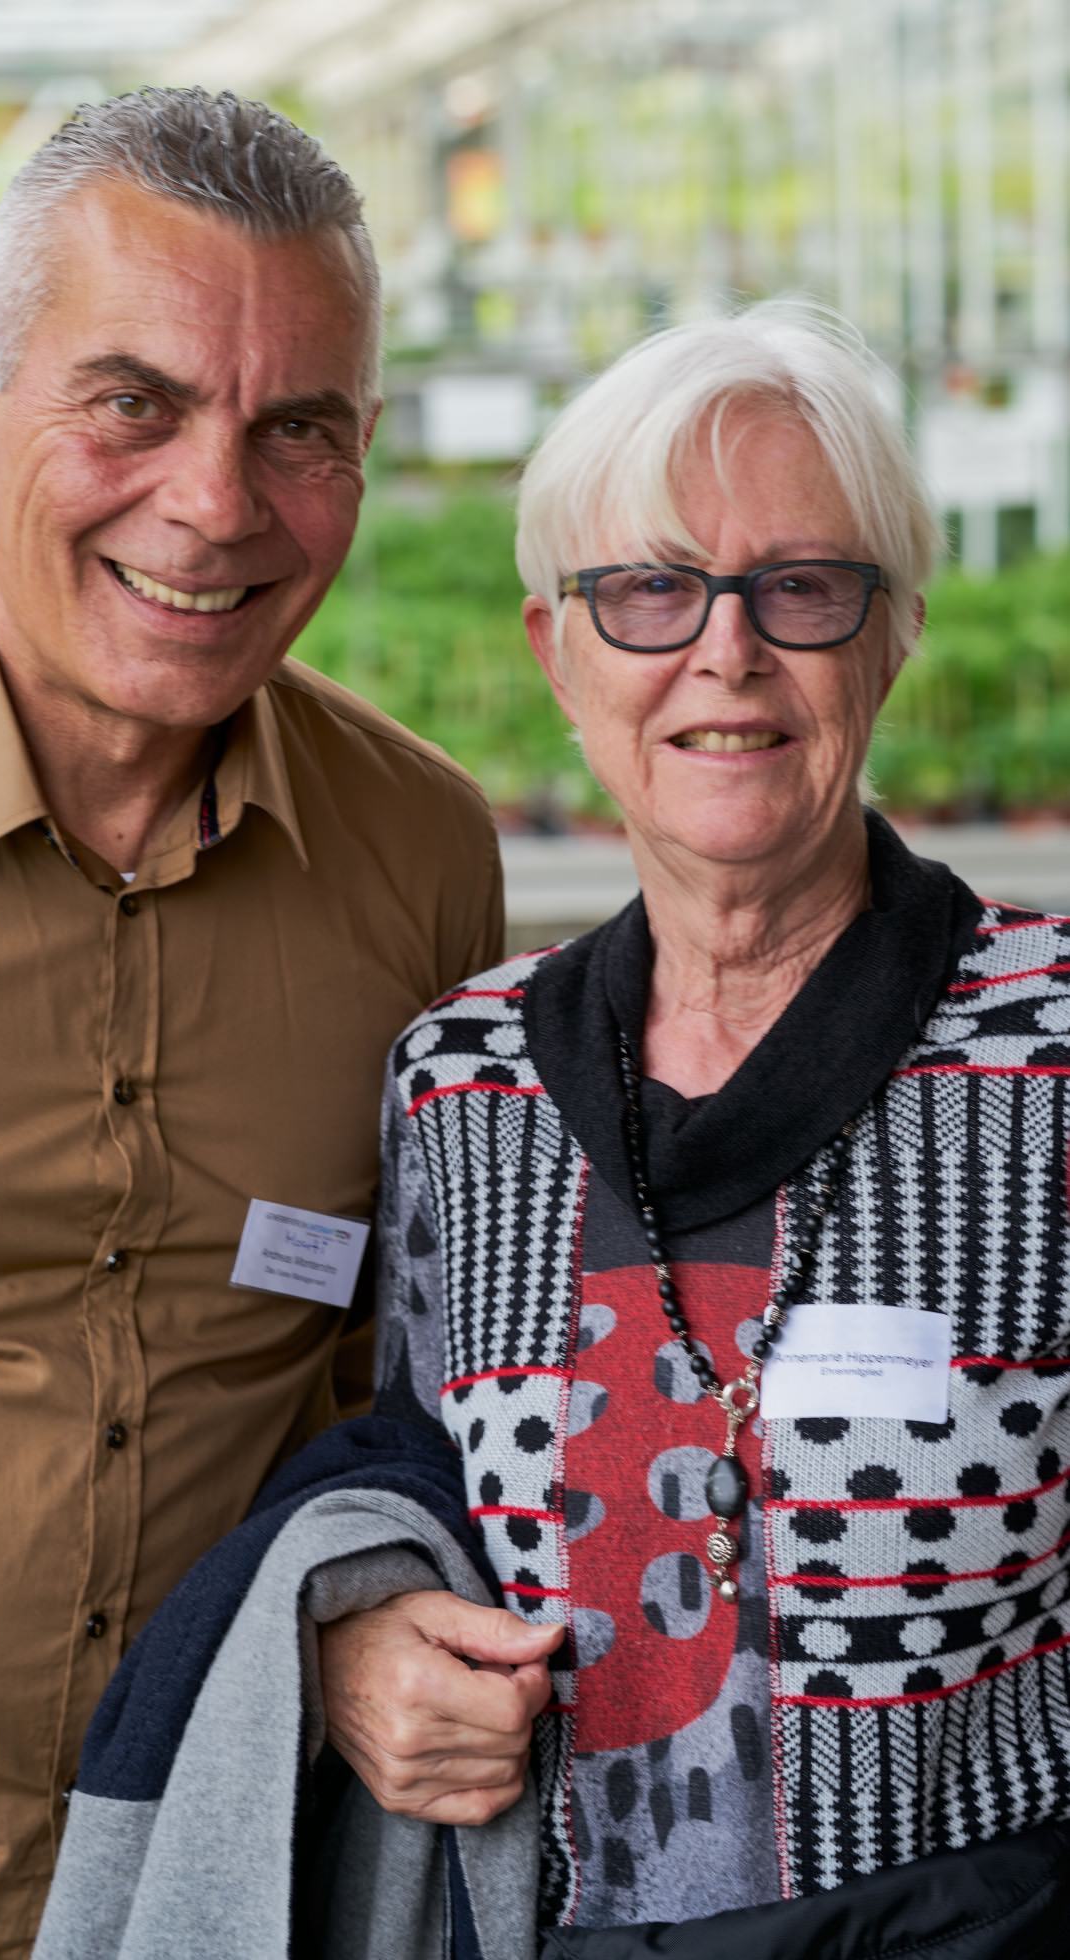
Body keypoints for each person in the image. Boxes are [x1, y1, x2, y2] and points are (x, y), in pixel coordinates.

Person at [0, 88, 505, 1957]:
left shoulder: (415, 852)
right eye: (133, 402)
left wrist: (356, 1615)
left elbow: (400, 1385)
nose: (215, 502)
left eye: (297, 430)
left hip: (217, 1888)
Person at [336, 302, 1070, 1948]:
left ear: (888, 636)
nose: (722, 653)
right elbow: (400, 1490)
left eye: (798, 588)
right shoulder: (461, 1089)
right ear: (557, 650)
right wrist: (359, 1637)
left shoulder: (1046, 1054)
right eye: (649, 591)